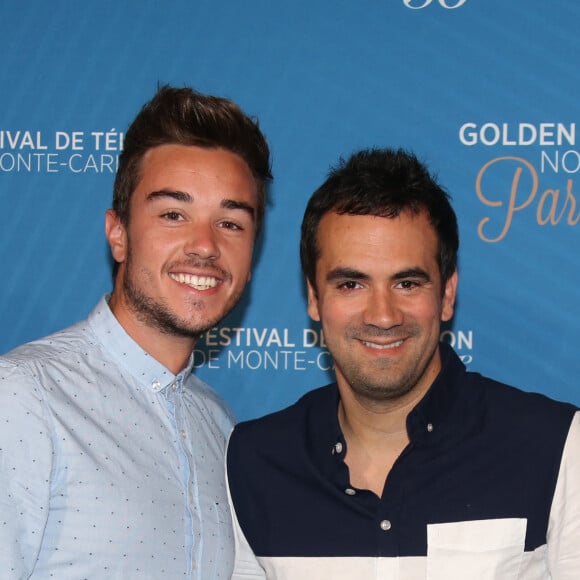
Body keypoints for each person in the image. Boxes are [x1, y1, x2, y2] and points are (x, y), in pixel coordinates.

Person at [226, 148, 580, 579]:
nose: (382, 315)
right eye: (352, 284)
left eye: (407, 283)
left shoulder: (557, 447)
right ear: (315, 299)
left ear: (447, 294)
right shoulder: (255, 461)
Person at [0, 85, 271, 578]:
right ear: (118, 233)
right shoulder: (22, 396)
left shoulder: (220, 425)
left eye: (231, 223)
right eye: (173, 214)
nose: (205, 246)